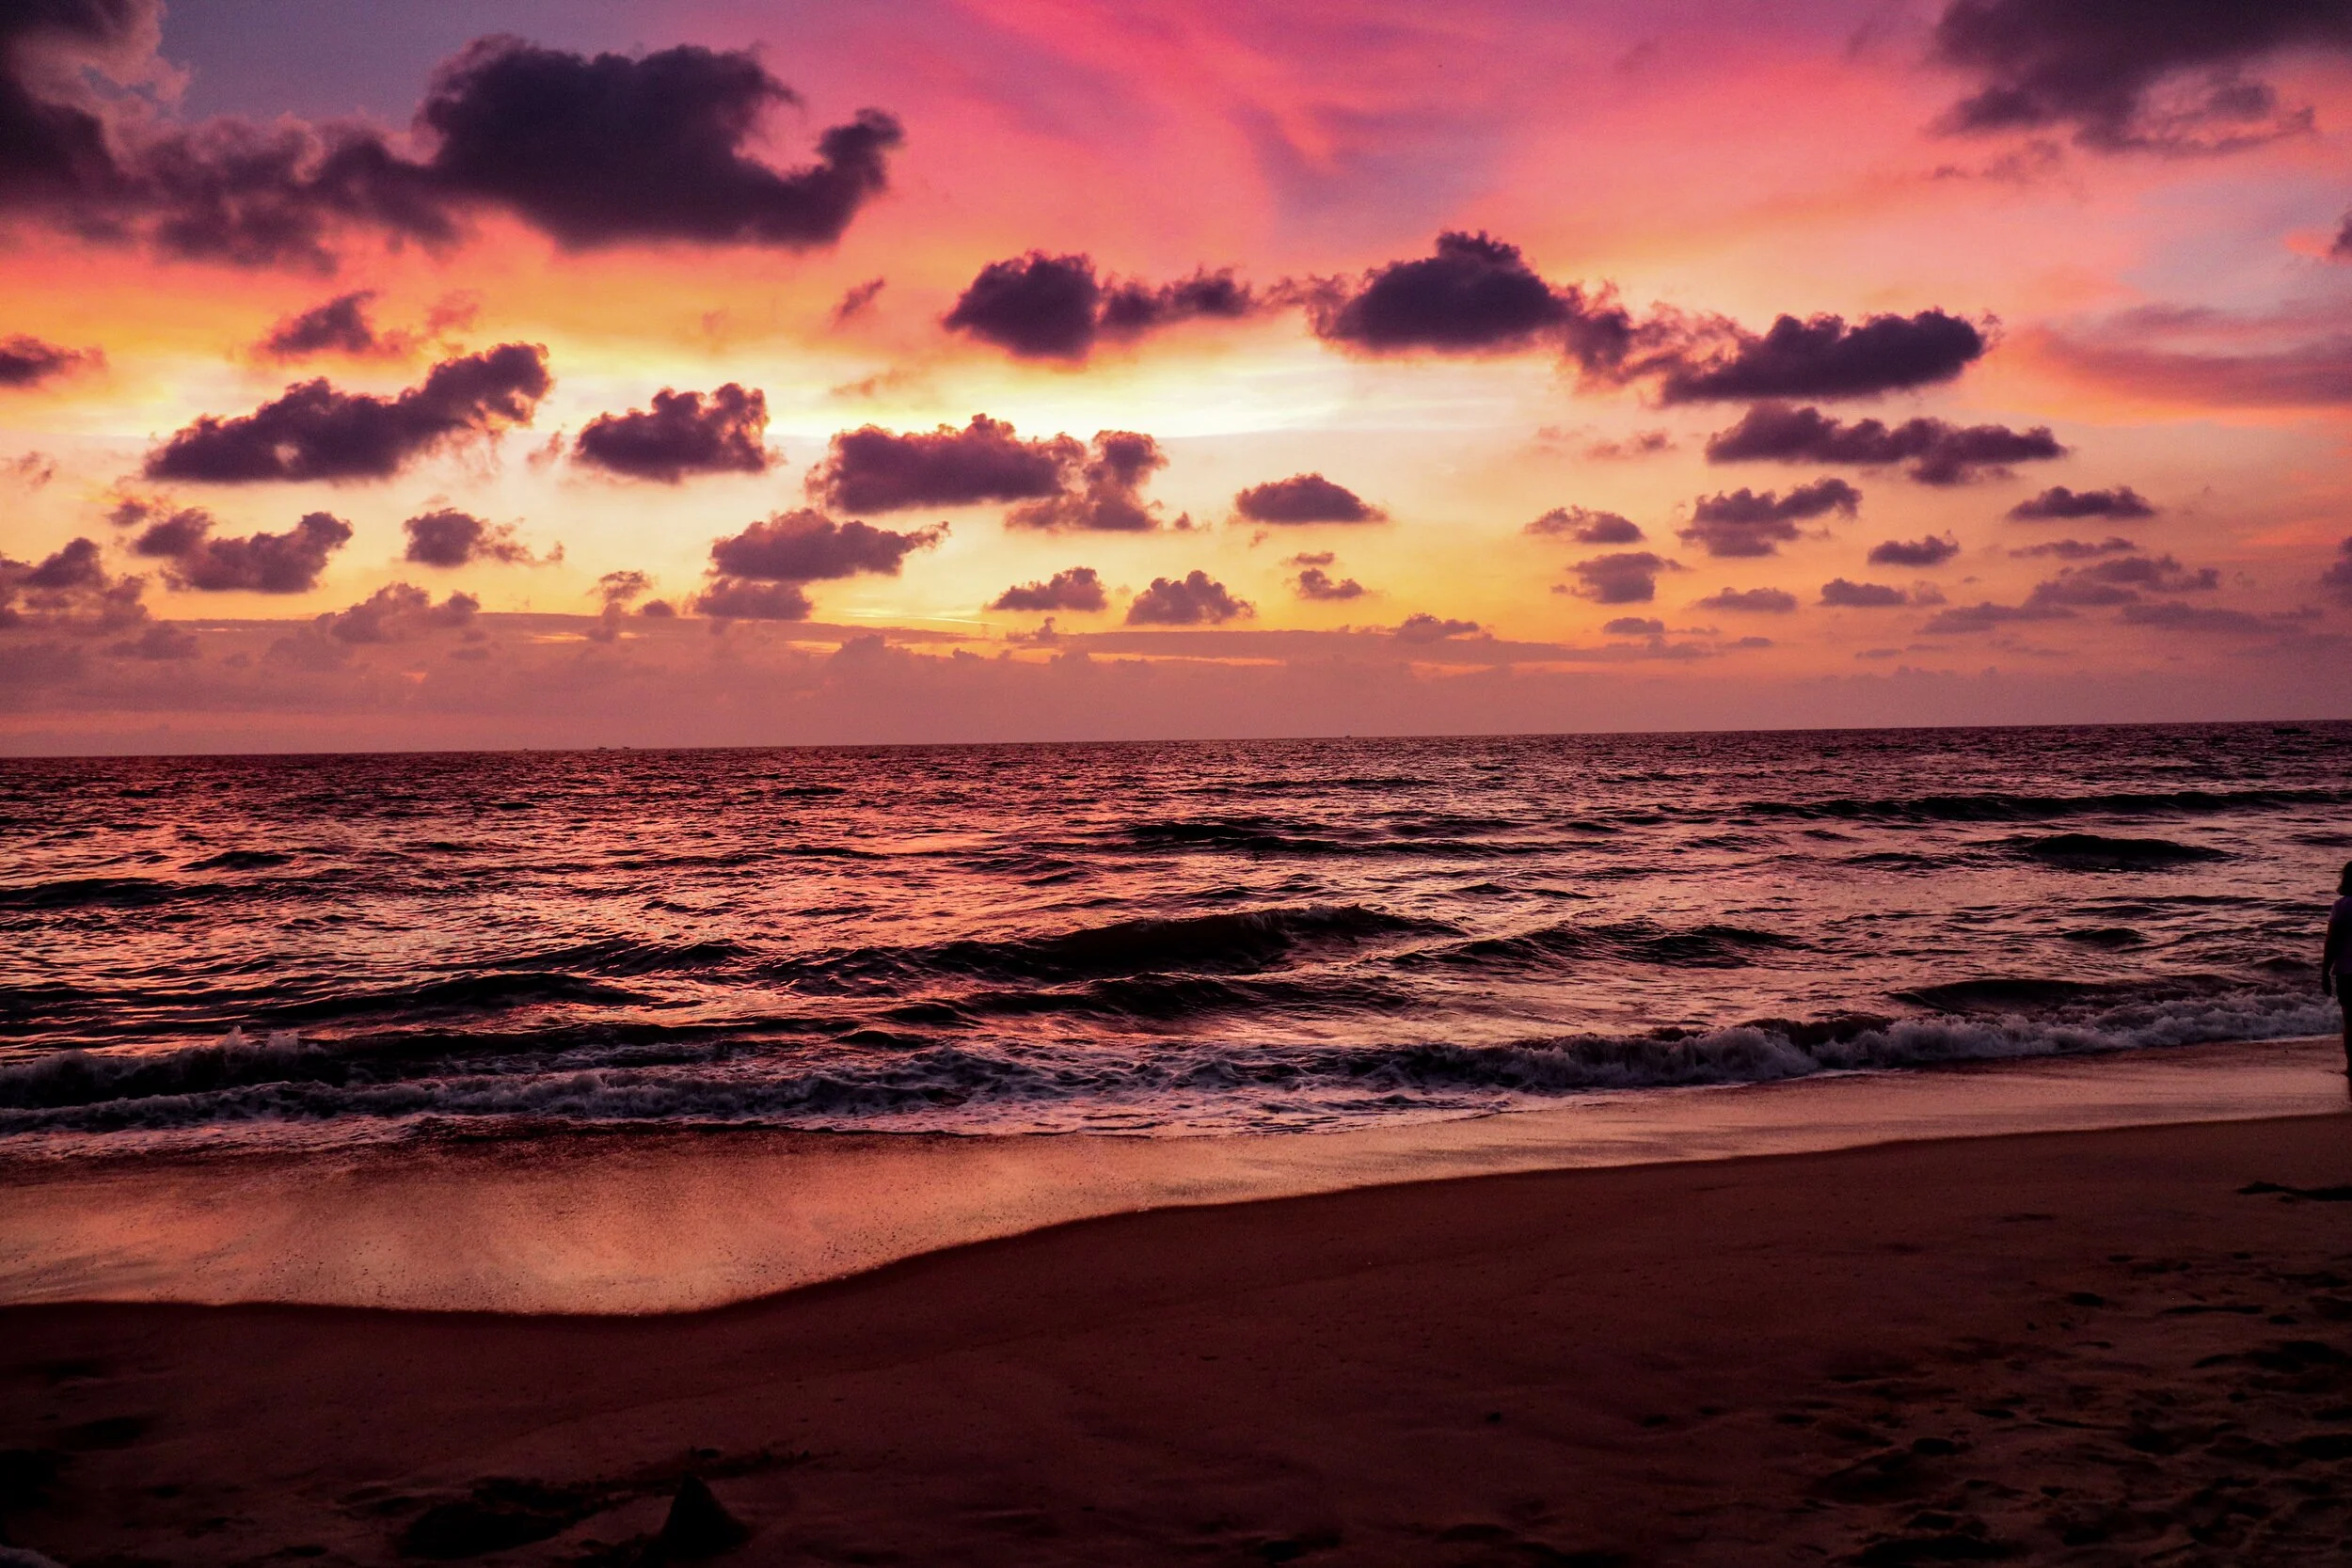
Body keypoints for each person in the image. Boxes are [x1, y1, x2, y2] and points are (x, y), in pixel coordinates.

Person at [2327, 860, 2352, 1086]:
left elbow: (2331, 941)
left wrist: (2324, 971)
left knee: (2350, 1020)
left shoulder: (2342, 906)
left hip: (2348, 970)